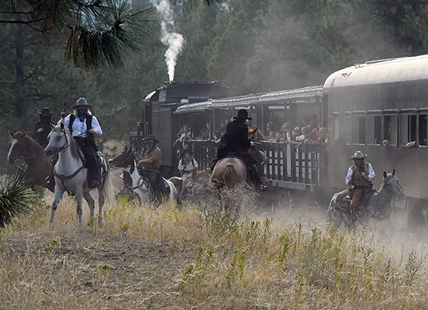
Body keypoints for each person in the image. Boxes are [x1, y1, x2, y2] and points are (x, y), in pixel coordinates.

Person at [216, 109, 267, 192]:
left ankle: (211, 175)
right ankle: (259, 184)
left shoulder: (229, 124)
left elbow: (228, 137)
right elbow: (244, 141)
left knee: (217, 161)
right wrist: (249, 144)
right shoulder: (243, 126)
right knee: (253, 166)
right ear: (244, 119)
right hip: (238, 151)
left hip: (227, 150)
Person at [59, 97, 103, 188]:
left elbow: (100, 131)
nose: (82, 109)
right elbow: (60, 127)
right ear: (77, 108)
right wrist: (62, 118)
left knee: (91, 156)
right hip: (73, 142)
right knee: (59, 155)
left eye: (84, 107)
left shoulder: (92, 118)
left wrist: (93, 130)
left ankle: (94, 178)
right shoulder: (70, 118)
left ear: (87, 108)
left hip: (87, 142)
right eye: (80, 107)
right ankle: (54, 177)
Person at [134, 135, 168, 203]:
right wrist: (138, 156)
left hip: (153, 170)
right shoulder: (147, 151)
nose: (147, 144)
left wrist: (141, 161)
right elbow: (144, 161)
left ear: (153, 142)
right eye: (146, 142)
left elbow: (150, 160)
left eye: (149, 142)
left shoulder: (157, 151)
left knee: (152, 180)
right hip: (145, 169)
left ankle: (156, 195)